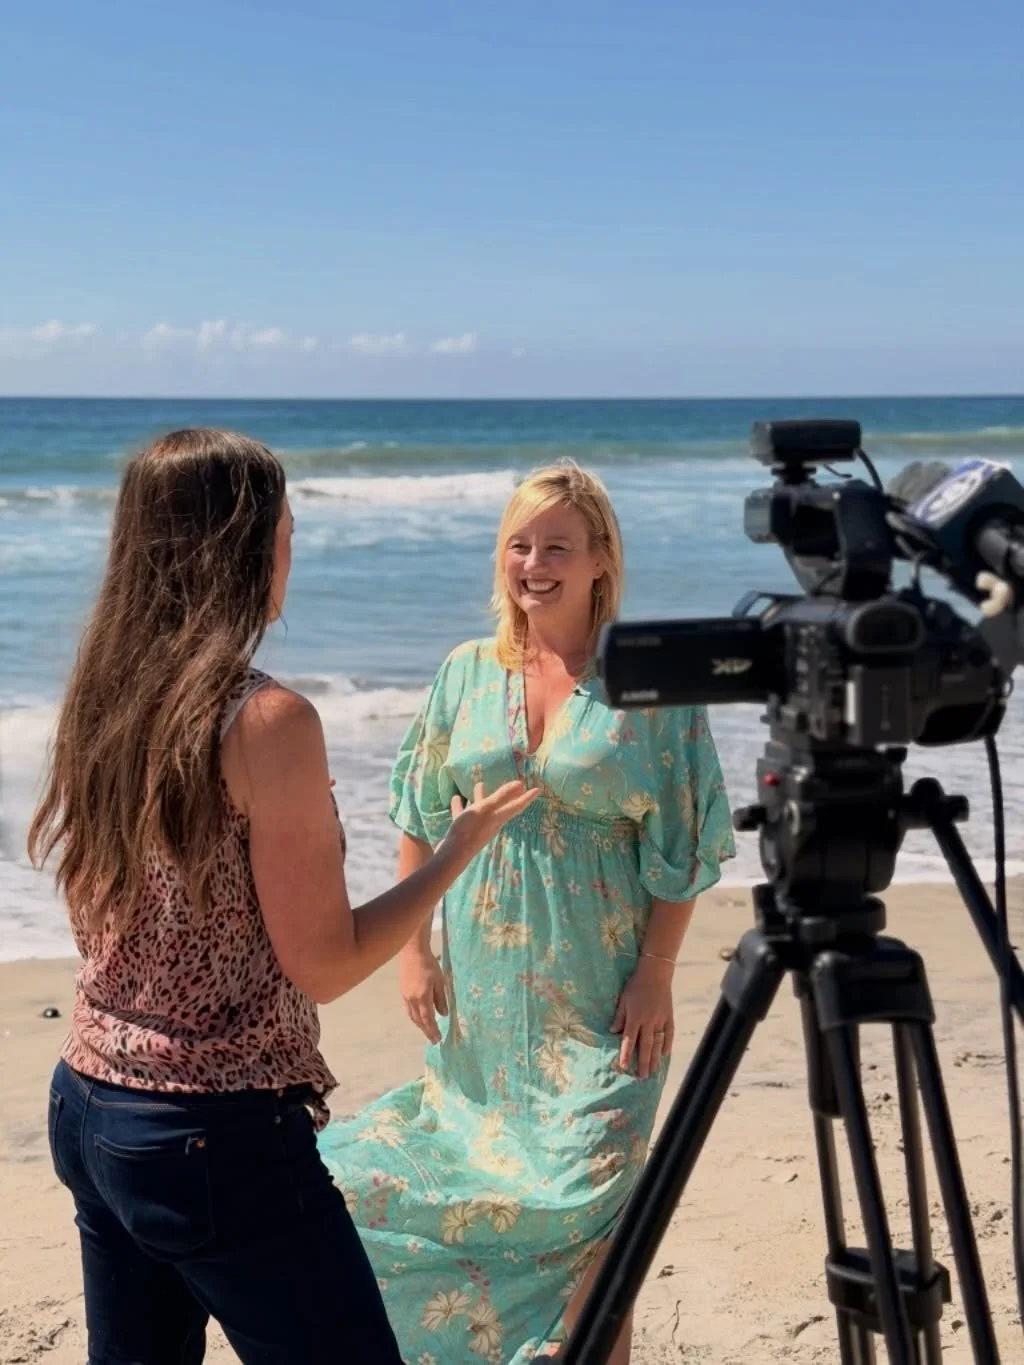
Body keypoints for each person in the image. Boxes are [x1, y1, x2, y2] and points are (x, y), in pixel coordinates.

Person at [28, 428, 537, 1365]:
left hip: (91, 1101)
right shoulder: (266, 718)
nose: (291, 549)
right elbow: (328, 962)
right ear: (245, 545)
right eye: (287, 529)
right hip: (214, 1134)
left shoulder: (108, 689)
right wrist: (456, 851)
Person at [318, 460, 736, 1364]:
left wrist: (657, 977)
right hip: (485, 1003)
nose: (533, 561)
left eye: (557, 545)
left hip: (605, 1000)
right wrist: (412, 950)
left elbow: (685, 844)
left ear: (600, 559)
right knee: (369, 1185)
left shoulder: (646, 682)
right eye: (519, 543)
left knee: (593, 1213)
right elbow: (420, 810)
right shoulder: (467, 671)